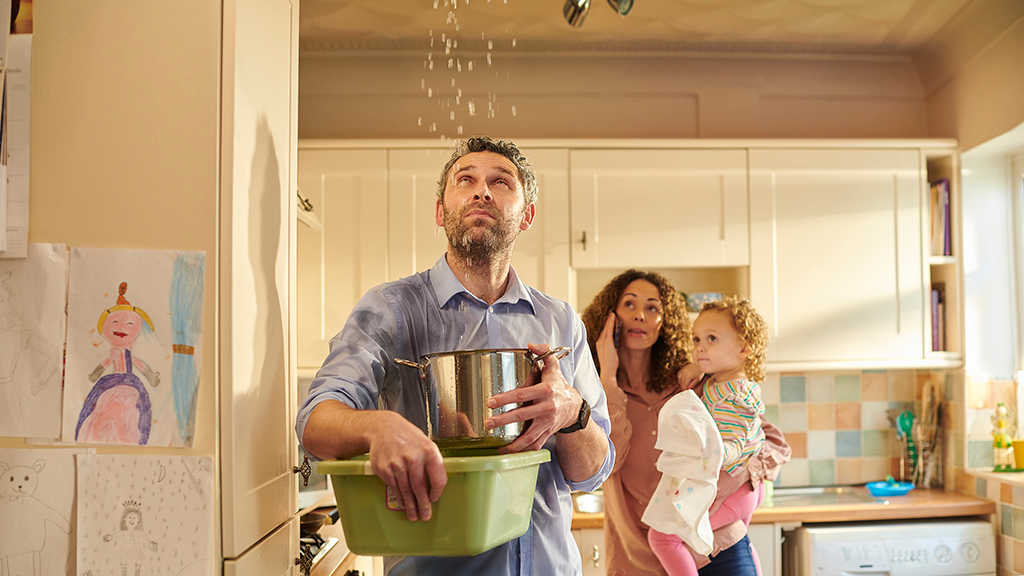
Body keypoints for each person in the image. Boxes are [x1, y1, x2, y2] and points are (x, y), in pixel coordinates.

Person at [296, 136, 614, 576]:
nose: (482, 190)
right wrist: (380, 426)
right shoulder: (392, 309)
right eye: (466, 179)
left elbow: (592, 473)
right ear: (441, 211)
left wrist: (572, 412)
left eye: (501, 182)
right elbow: (315, 422)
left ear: (527, 216)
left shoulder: (560, 321)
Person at [581, 272, 790, 576]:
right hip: (637, 560)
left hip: (717, 548)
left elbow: (772, 443)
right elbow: (603, 465)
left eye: (652, 308)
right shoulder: (595, 392)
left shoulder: (692, 383)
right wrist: (609, 379)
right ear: (610, 318)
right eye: (630, 304)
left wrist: (736, 480)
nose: (640, 315)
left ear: (665, 322)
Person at [646, 296, 770, 576]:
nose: (700, 346)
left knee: (663, 537)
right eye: (697, 339)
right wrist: (699, 368)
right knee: (737, 537)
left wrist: (717, 454)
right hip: (744, 488)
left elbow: (734, 441)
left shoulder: (733, 395)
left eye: (712, 338)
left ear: (745, 347)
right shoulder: (719, 382)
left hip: (737, 489)